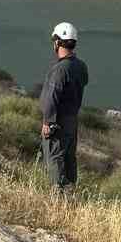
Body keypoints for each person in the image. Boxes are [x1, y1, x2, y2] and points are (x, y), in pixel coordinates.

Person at [39, 22, 89, 193]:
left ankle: (59, 195)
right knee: (69, 158)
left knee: (54, 158)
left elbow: (51, 97)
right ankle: (71, 192)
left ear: (58, 42)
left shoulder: (60, 69)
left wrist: (47, 122)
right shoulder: (80, 66)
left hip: (57, 121)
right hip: (72, 120)